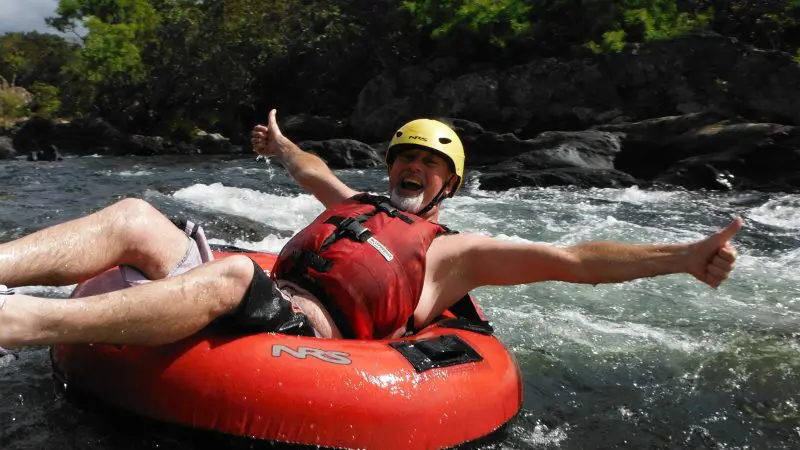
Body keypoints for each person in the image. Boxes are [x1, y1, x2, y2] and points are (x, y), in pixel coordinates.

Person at [0, 109, 741, 349]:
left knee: (232, 273)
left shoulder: (460, 254)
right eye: (404, 159)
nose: (411, 169)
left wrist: (681, 257)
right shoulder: (356, 203)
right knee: (136, 215)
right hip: (253, 292)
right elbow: (311, 173)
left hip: (300, 328)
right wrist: (283, 147)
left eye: (427, 164)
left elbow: (577, 256)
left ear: (447, 184)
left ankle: (17, 323)